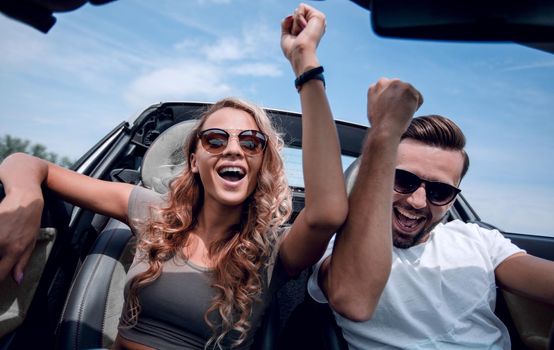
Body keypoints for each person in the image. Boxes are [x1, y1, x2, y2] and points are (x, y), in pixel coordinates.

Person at [0, 4, 348, 349]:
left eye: (250, 142)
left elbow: (328, 212)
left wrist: (305, 62)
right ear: (195, 160)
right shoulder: (153, 211)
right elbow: (28, 163)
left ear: (262, 163)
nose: (232, 149)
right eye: (215, 139)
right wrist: (22, 198)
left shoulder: (273, 250)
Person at [308, 78, 554, 349]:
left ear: (452, 199)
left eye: (439, 191)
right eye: (402, 180)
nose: (417, 201)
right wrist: (384, 135)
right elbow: (351, 299)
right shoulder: (341, 245)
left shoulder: (479, 240)